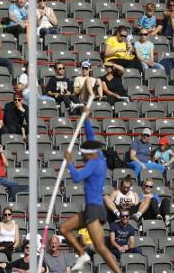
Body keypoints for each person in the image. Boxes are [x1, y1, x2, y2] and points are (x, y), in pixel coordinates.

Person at [58, 107, 121, 273]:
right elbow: (91, 136)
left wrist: (70, 163)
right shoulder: (98, 156)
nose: (82, 157)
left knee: (100, 247)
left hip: (94, 209)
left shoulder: (93, 164)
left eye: (83, 155)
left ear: (89, 155)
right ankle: (82, 254)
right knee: (63, 228)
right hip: (92, 209)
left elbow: (77, 177)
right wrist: (85, 117)